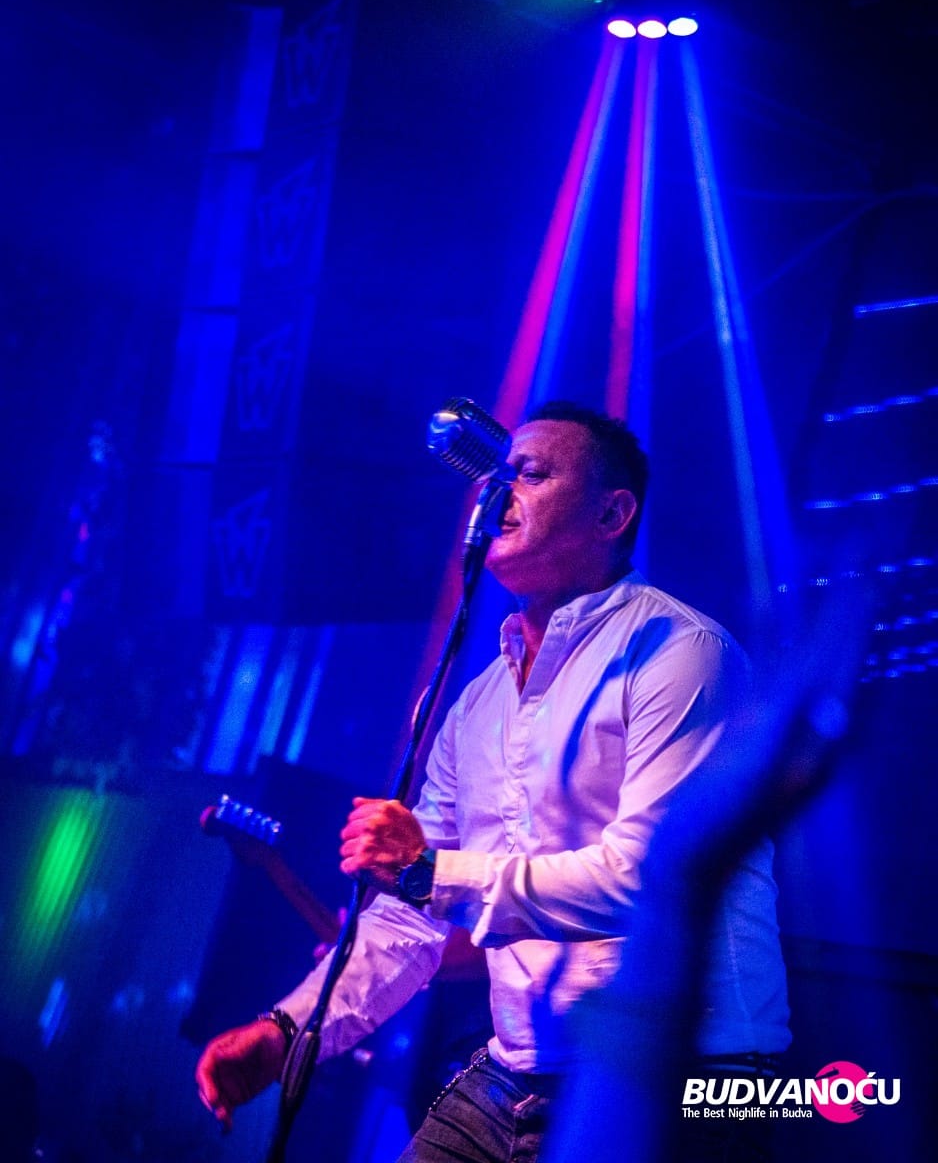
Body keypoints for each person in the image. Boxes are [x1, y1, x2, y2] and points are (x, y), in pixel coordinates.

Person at [195, 401, 791, 1160]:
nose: (499, 491)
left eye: (532, 474)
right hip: (514, 1069)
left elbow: (649, 880)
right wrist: (288, 1031)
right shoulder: (477, 704)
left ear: (612, 514)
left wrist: (430, 870)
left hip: (676, 1069)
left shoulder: (681, 652)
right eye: (497, 475)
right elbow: (410, 918)